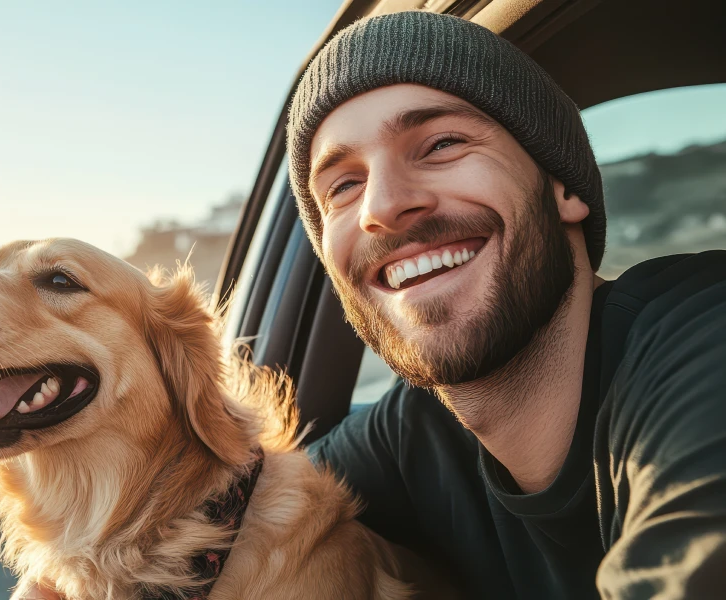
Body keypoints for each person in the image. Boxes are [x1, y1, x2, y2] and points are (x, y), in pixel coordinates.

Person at [288, 10, 726, 600]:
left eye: (442, 143)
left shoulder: (705, 341)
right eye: (342, 186)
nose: (383, 205)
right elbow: (227, 518)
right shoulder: (411, 433)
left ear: (562, 185)